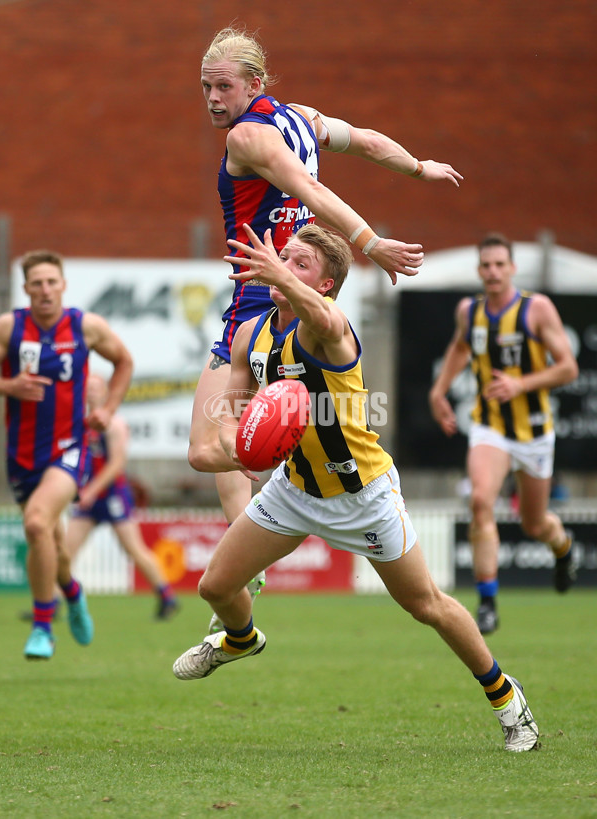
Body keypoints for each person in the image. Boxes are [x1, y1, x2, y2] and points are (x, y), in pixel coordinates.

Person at [173, 223, 540, 753]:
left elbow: (323, 315)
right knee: (214, 587)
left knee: (427, 605)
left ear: (324, 286)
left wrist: (279, 272)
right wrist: (243, 446)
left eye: (301, 264)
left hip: (362, 496)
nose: (284, 265)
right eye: (285, 256)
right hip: (293, 491)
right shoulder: (249, 333)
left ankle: (507, 698)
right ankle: (240, 639)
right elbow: (229, 416)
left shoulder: (329, 326)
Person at [188, 25, 463, 526]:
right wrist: (419, 167)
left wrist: (371, 243)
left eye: (223, 86)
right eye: (206, 86)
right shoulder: (303, 119)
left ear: (254, 84)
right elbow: (369, 142)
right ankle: (248, 564)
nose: (211, 98)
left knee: (207, 449)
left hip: (261, 303)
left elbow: (310, 191)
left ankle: (299, 463)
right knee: (238, 442)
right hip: (307, 297)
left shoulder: (247, 135)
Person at [428, 233, 579, 634]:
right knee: (481, 501)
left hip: (532, 431)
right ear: (479, 271)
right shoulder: (469, 312)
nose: (493, 272)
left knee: (534, 524)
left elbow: (568, 368)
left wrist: (520, 384)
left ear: (512, 268)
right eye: (486, 265)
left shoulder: (537, 309)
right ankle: (488, 601)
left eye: (500, 264)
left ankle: (563, 549)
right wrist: (439, 390)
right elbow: (460, 348)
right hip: (489, 425)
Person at [0, 249, 133, 660]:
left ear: (63, 285)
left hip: (69, 449)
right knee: (51, 542)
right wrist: (9, 387)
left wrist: (107, 409)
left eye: (51, 282)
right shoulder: (8, 328)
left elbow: (124, 361)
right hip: (21, 455)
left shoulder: (85, 326)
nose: (44, 290)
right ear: (25, 290)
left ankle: (43, 627)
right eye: (36, 283)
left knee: (36, 524)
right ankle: (73, 592)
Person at [62, 373, 179, 621]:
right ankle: (48, 605)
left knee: (134, 550)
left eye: (96, 388)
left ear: (105, 392)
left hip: (112, 496)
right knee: (65, 551)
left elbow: (116, 464)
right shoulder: (82, 424)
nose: (92, 392)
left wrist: (90, 491)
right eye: (88, 387)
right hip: (88, 499)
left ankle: (167, 595)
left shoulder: (114, 423)